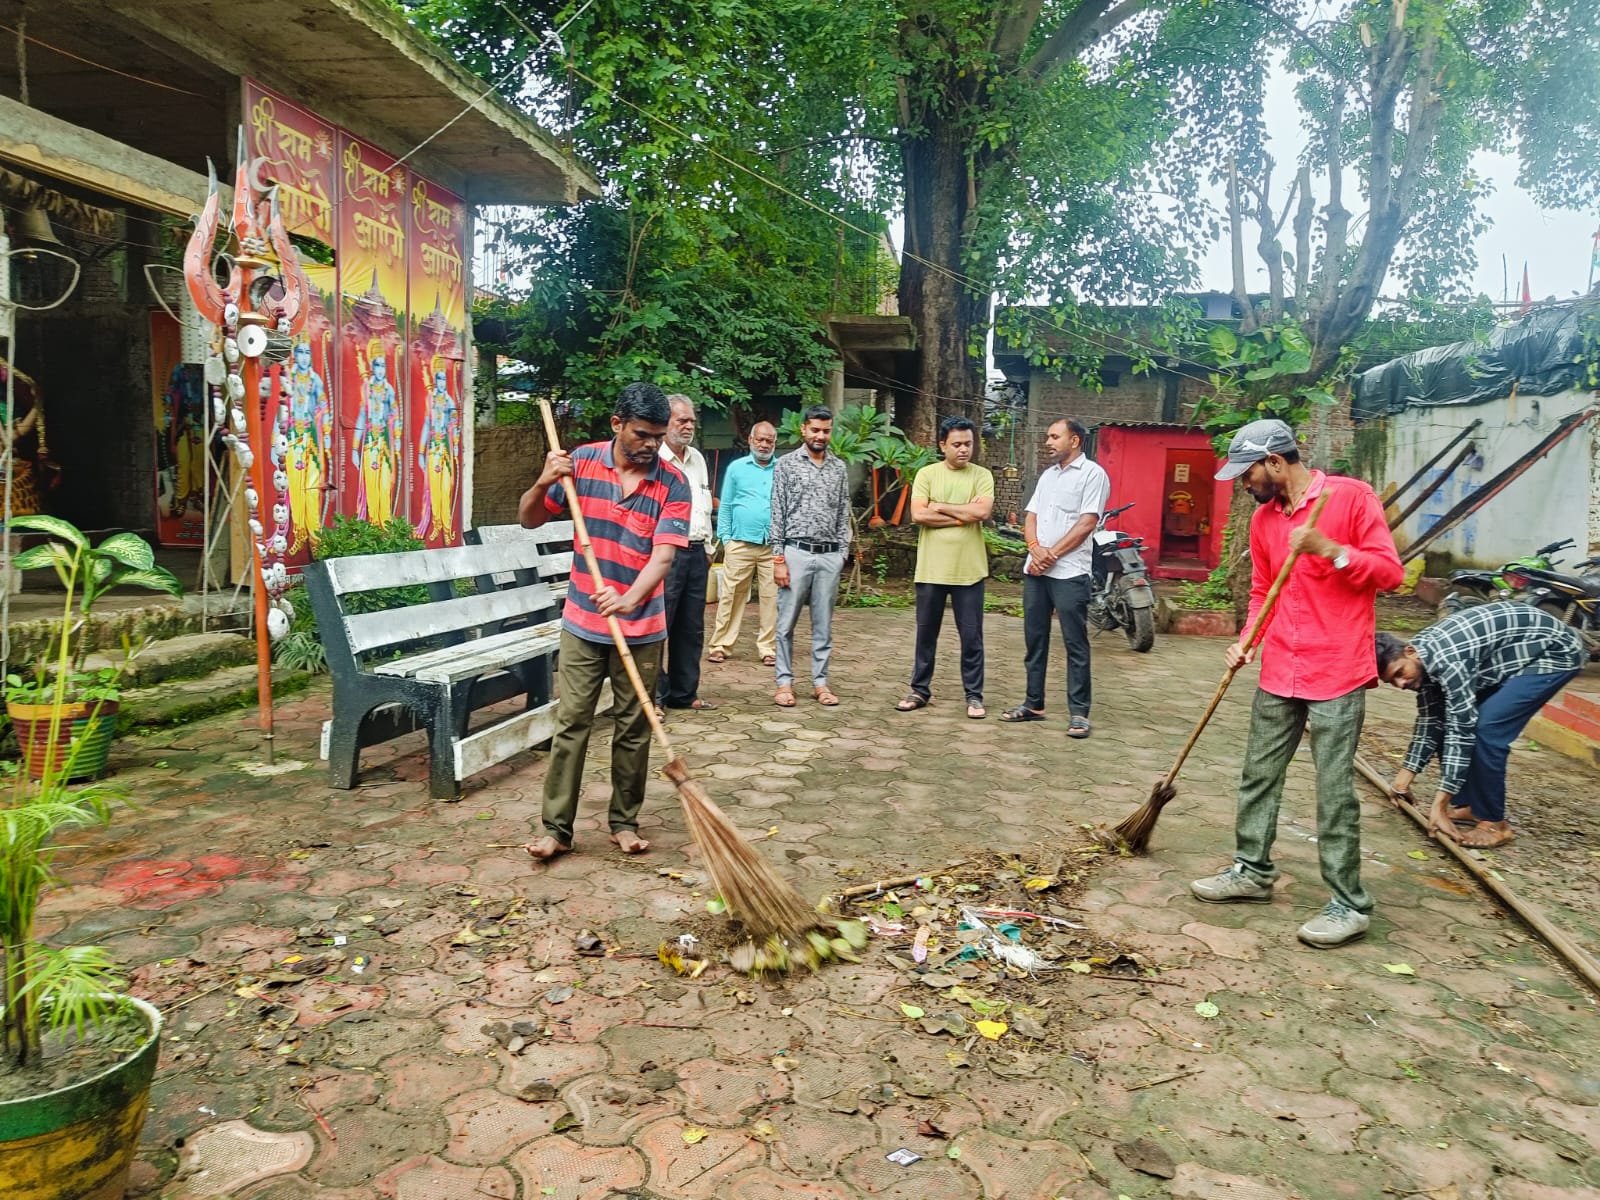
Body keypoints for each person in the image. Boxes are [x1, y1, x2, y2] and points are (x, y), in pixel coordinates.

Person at [1189, 418, 1403, 948]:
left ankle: (1349, 904)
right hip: (1280, 666)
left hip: (1338, 670)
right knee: (1258, 775)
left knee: (1334, 792)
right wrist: (1248, 640)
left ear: (1276, 462)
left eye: (1249, 473)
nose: (1245, 484)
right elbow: (1262, 590)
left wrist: (1330, 550)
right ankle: (1252, 871)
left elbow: (1390, 574)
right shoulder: (1264, 520)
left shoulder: (1350, 498)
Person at [515, 382, 690, 862]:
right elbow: (529, 519)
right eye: (641, 434)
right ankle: (556, 829)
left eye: (658, 436)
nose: (651, 445)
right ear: (617, 424)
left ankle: (624, 822)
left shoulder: (673, 483)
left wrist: (628, 599)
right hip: (582, 622)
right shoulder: (581, 464)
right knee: (572, 722)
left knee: (634, 728)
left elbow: (663, 557)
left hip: (643, 626)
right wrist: (543, 481)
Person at [1376, 602, 1585, 849]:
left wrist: (1439, 804)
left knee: (1487, 729)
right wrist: (1402, 781)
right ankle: (1469, 806)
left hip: (1554, 652)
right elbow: (1431, 721)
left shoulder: (1448, 660)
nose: (1401, 684)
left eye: (1400, 673)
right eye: (1392, 682)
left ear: (1410, 651)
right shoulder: (1422, 661)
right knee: (1448, 719)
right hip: (1508, 655)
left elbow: (1461, 730)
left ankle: (1495, 824)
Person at [1001, 418, 1109, 738]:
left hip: (1070, 572)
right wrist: (1035, 549)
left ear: (1074, 440)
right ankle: (1033, 704)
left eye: (1054, 436)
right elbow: (1031, 517)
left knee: (1075, 643)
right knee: (1035, 639)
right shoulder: (1048, 476)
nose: (1048, 442)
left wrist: (1052, 555)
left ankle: (1079, 713)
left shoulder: (1093, 474)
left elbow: (1087, 523)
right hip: (1036, 571)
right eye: (1048, 436)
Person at [897, 416, 994, 719]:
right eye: (957, 444)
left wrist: (940, 506)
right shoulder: (927, 474)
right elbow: (919, 515)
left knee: (972, 638)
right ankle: (919, 690)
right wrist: (962, 516)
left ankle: (974, 696)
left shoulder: (982, 475)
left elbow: (982, 511)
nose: (964, 449)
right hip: (931, 570)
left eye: (968, 444)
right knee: (926, 635)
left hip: (969, 572)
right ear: (942, 445)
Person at [770, 405, 851, 708]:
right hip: (795, 553)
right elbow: (776, 512)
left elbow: (843, 512)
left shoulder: (838, 468)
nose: (820, 435)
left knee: (823, 626)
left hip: (829, 556)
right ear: (803, 429)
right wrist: (778, 558)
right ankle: (784, 683)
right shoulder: (786, 464)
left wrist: (842, 553)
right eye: (815, 429)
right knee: (785, 624)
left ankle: (820, 683)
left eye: (826, 430)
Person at [655, 395, 717, 712]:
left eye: (692, 420)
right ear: (666, 422)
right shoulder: (654, 459)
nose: (689, 426)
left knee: (691, 627)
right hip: (665, 552)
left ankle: (684, 693)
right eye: (682, 420)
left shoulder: (697, 459)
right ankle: (654, 696)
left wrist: (708, 547)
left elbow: (703, 506)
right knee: (658, 625)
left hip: (696, 552)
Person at [708, 421, 779, 667]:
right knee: (730, 596)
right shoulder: (736, 468)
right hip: (739, 543)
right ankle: (720, 645)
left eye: (769, 440)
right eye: (760, 439)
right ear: (750, 440)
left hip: (772, 546)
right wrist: (726, 540)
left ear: (775, 443)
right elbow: (726, 504)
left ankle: (768, 648)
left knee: (772, 598)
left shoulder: (782, 469)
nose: (764, 444)